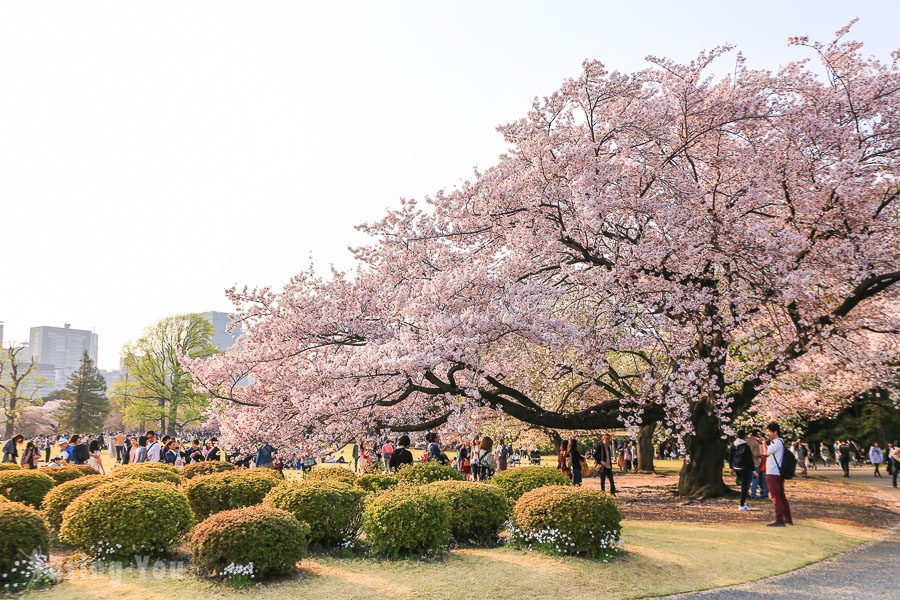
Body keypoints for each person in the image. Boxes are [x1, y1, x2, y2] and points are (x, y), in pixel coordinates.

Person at [764, 421, 792, 527]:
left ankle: (779, 519)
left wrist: (763, 443)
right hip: (778, 472)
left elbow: (765, 452)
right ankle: (787, 518)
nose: (768, 434)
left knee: (776, 497)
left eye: (769, 432)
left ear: (775, 432)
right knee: (781, 496)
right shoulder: (780, 442)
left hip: (773, 472)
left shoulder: (776, 443)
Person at [728, 431, 756, 511]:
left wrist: (731, 467)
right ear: (745, 437)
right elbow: (749, 459)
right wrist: (753, 469)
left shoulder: (733, 445)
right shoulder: (745, 446)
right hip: (744, 468)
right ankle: (741, 505)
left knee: (744, 485)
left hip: (736, 467)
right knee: (745, 486)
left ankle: (743, 503)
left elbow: (730, 456)